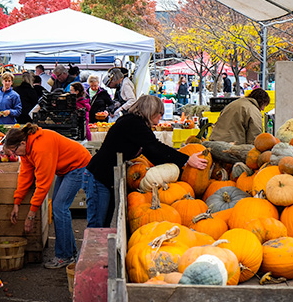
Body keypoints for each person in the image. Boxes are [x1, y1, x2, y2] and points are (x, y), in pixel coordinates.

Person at [84, 95, 208, 227]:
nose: (160, 118)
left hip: (106, 178)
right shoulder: (133, 123)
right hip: (98, 177)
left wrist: (175, 170)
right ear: (151, 111)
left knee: (103, 224)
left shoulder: (135, 123)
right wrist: (186, 159)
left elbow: (152, 153)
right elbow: (155, 147)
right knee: (97, 225)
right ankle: (79, 248)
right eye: (159, 114)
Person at [2, 123, 91, 269]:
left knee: (59, 207)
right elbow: (25, 175)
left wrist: (31, 215)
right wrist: (17, 203)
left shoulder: (40, 147)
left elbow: (43, 184)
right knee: (59, 207)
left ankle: (64, 256)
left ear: (22, 143)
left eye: (14, 151)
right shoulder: (26, 149)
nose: (14, 155)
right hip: (66, 168)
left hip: (78, 165)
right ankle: (70, 252)